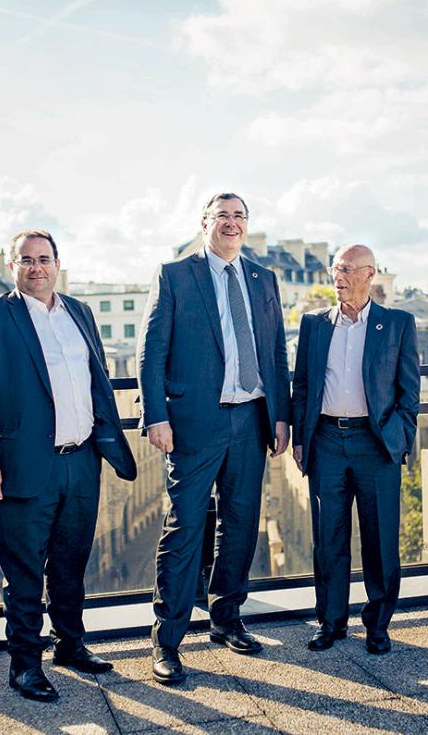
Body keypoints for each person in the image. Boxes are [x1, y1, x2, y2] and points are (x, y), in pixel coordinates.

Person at [0, 229, 137, 702]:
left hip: (82, 461)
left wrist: (105, 439)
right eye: (26, 260)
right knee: (24, 573)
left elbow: (96, 380)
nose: (36, 267)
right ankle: (25, 666)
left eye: (44, 259)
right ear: (11, 266)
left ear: (58, 263)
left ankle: (71, 646)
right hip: (23, 466)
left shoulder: (80, 312)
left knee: (72, 562)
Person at [138, 192, 290, 685]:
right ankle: (167, 640)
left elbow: (275, 352)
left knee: (241, 524)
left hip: (251, 419)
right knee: (184, 526)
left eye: (239, 216)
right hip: (193, 423)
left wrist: (281, 417)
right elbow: (151, 351)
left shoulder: (263, 279)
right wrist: (156, 416)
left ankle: (226, 619)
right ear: (203, 223)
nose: (231, 223)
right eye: (222, 215)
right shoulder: (175, 275)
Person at [291, 243, 420, 655]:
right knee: (328, 539)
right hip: (326, 442)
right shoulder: (313, 324)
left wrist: (400, 438)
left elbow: (409, 392)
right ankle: (330, 623)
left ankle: (378, 626)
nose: (339, 277)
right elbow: (302, 385)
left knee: (380, 540)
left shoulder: (398, 323)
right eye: (335, 269)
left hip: (375, 444)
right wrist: (300, 438)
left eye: (347, 269)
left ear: (370, 274)